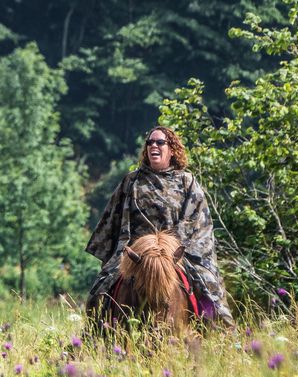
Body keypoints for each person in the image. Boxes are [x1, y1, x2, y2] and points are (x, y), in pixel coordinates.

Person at [86, 125, 233, 323]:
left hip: (176, 255)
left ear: (171, 150)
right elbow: (114, 219)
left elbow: (195, 221)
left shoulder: (187, 182)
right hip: (136, 256)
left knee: (210, 288)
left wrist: (168, 247)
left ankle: (222, 338)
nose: (153, 145)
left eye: (160, 142)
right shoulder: (131, 181)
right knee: (99, 290)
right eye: (150, 142)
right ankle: (94, 335)